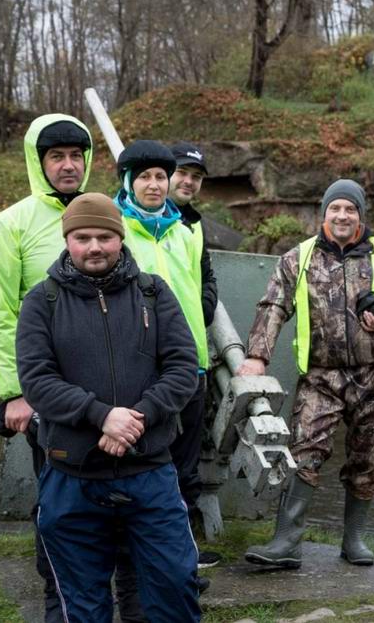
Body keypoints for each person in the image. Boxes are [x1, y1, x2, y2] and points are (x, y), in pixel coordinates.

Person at [15, 193, 201, 622]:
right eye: (82, 237)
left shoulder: (154, 293)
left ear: (120, 238)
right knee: (80, 604)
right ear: (68, 240)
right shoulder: (41, 303)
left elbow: (181, 367)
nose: (94, 246)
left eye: (104, 236)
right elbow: (38, 381)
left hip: (150, 471)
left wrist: (136, 420)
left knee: (174, 585)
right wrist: (102, 415)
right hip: (71, 476)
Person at [236, 178, 374, 568]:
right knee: (304, 452)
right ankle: (286, 543)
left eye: (349, 209)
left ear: (360, 215)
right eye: (335, 208)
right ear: (324, 213)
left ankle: (353, 540)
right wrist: (257, 356)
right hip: (320, 376)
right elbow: (273, 306)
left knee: (368, 459)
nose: (342, 215)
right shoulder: (297, 258)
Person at [0, 113, 93, 622]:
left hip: (108, 387)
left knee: (112, 489)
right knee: (58, 496)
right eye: (57, 157)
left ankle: (102, 584)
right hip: (45, 389)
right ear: (39, 161)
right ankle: (58, 592)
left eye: (76, 156)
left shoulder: (105, 214)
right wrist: (15, 392)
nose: (68, 166)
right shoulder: (13, 223)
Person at [111, 140, 212, 597]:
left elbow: (196, 292)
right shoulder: (115, 229)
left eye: (161, 177)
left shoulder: (186, 232)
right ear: (130, 182)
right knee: (141, 470)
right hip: (139, 371)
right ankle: (132, 569)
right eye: (145, 177)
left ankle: (180, 566)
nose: (155, 185)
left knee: (182, 469)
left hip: (191, 369)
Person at [168, 141, 221, 568]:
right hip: (150, 363)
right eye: (181, 173)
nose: (188, 181)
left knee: (185, 464)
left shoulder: (195, 225)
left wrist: (199, 307)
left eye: (196, 177)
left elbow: (206, 278)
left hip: (193, 360)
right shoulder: (133, 221)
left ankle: (184, 551)